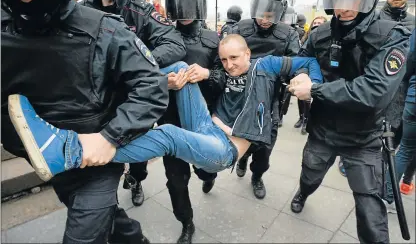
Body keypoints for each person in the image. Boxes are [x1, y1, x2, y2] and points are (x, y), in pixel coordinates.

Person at [9, 35, 323, 193]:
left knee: (168, 135)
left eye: (235, 58)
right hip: (205, 125)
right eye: (224, 59)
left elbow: (309, 62)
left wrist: (312, 82)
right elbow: (212, 77)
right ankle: (119, 98)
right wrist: (181, 79)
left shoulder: (266, 67)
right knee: (178, 69)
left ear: (248, 54)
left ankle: (69, 151)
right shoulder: (223, 71)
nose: (229, 64)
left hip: (224, 149)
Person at [1, 0, 170, 243]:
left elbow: (151, 85)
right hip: (49, 160)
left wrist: (110, 136)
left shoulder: (104, 28)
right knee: (109, 220)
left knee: (84, 234)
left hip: (97, 160)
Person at [287, 0, 411, 243]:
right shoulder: (319, 34)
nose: (344, 6)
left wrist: (316, 89)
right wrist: (296, 77)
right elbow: (301, 65)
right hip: (323, 130)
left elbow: (374, 92)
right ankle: (303, 193)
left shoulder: (392, 35)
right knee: (310, 176)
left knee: (370, 211)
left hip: (364, 137)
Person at [81, 0, 186, 207]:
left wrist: (136, 64)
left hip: (133, 100)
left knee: (139, 157)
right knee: (102, 165)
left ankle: (137, 180)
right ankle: (109, 203)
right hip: (97, 101)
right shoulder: (81, 10)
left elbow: (174, 43)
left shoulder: (141, 10)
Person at [159, 0, 226, 243]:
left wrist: (208, 74)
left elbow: (226, 77)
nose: (184, 12)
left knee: (205, 168)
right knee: (176, 181)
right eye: (178, 4)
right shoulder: (161, 36)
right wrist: (165, 82)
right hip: (170, 120)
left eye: (190, 4)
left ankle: (208, 176)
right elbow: (147, 74)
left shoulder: (212, 39)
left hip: (201, 121)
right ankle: (186, 223)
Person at [222, 0, 300, 199]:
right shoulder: (240, 29)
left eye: (271, 15)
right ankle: (243, 158)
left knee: (265, 147)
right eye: (262, 14)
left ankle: (257, 175)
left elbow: (296, 62)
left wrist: (295, 78)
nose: (265, 20)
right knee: (241, 136)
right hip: (242, 94)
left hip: (270, 97)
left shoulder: (288, 34)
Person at [383, 28, 415, 212]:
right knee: (399, 145)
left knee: (403, 150)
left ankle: (388, 194)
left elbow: (408, 63)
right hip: (405, 98)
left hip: (411, 97)